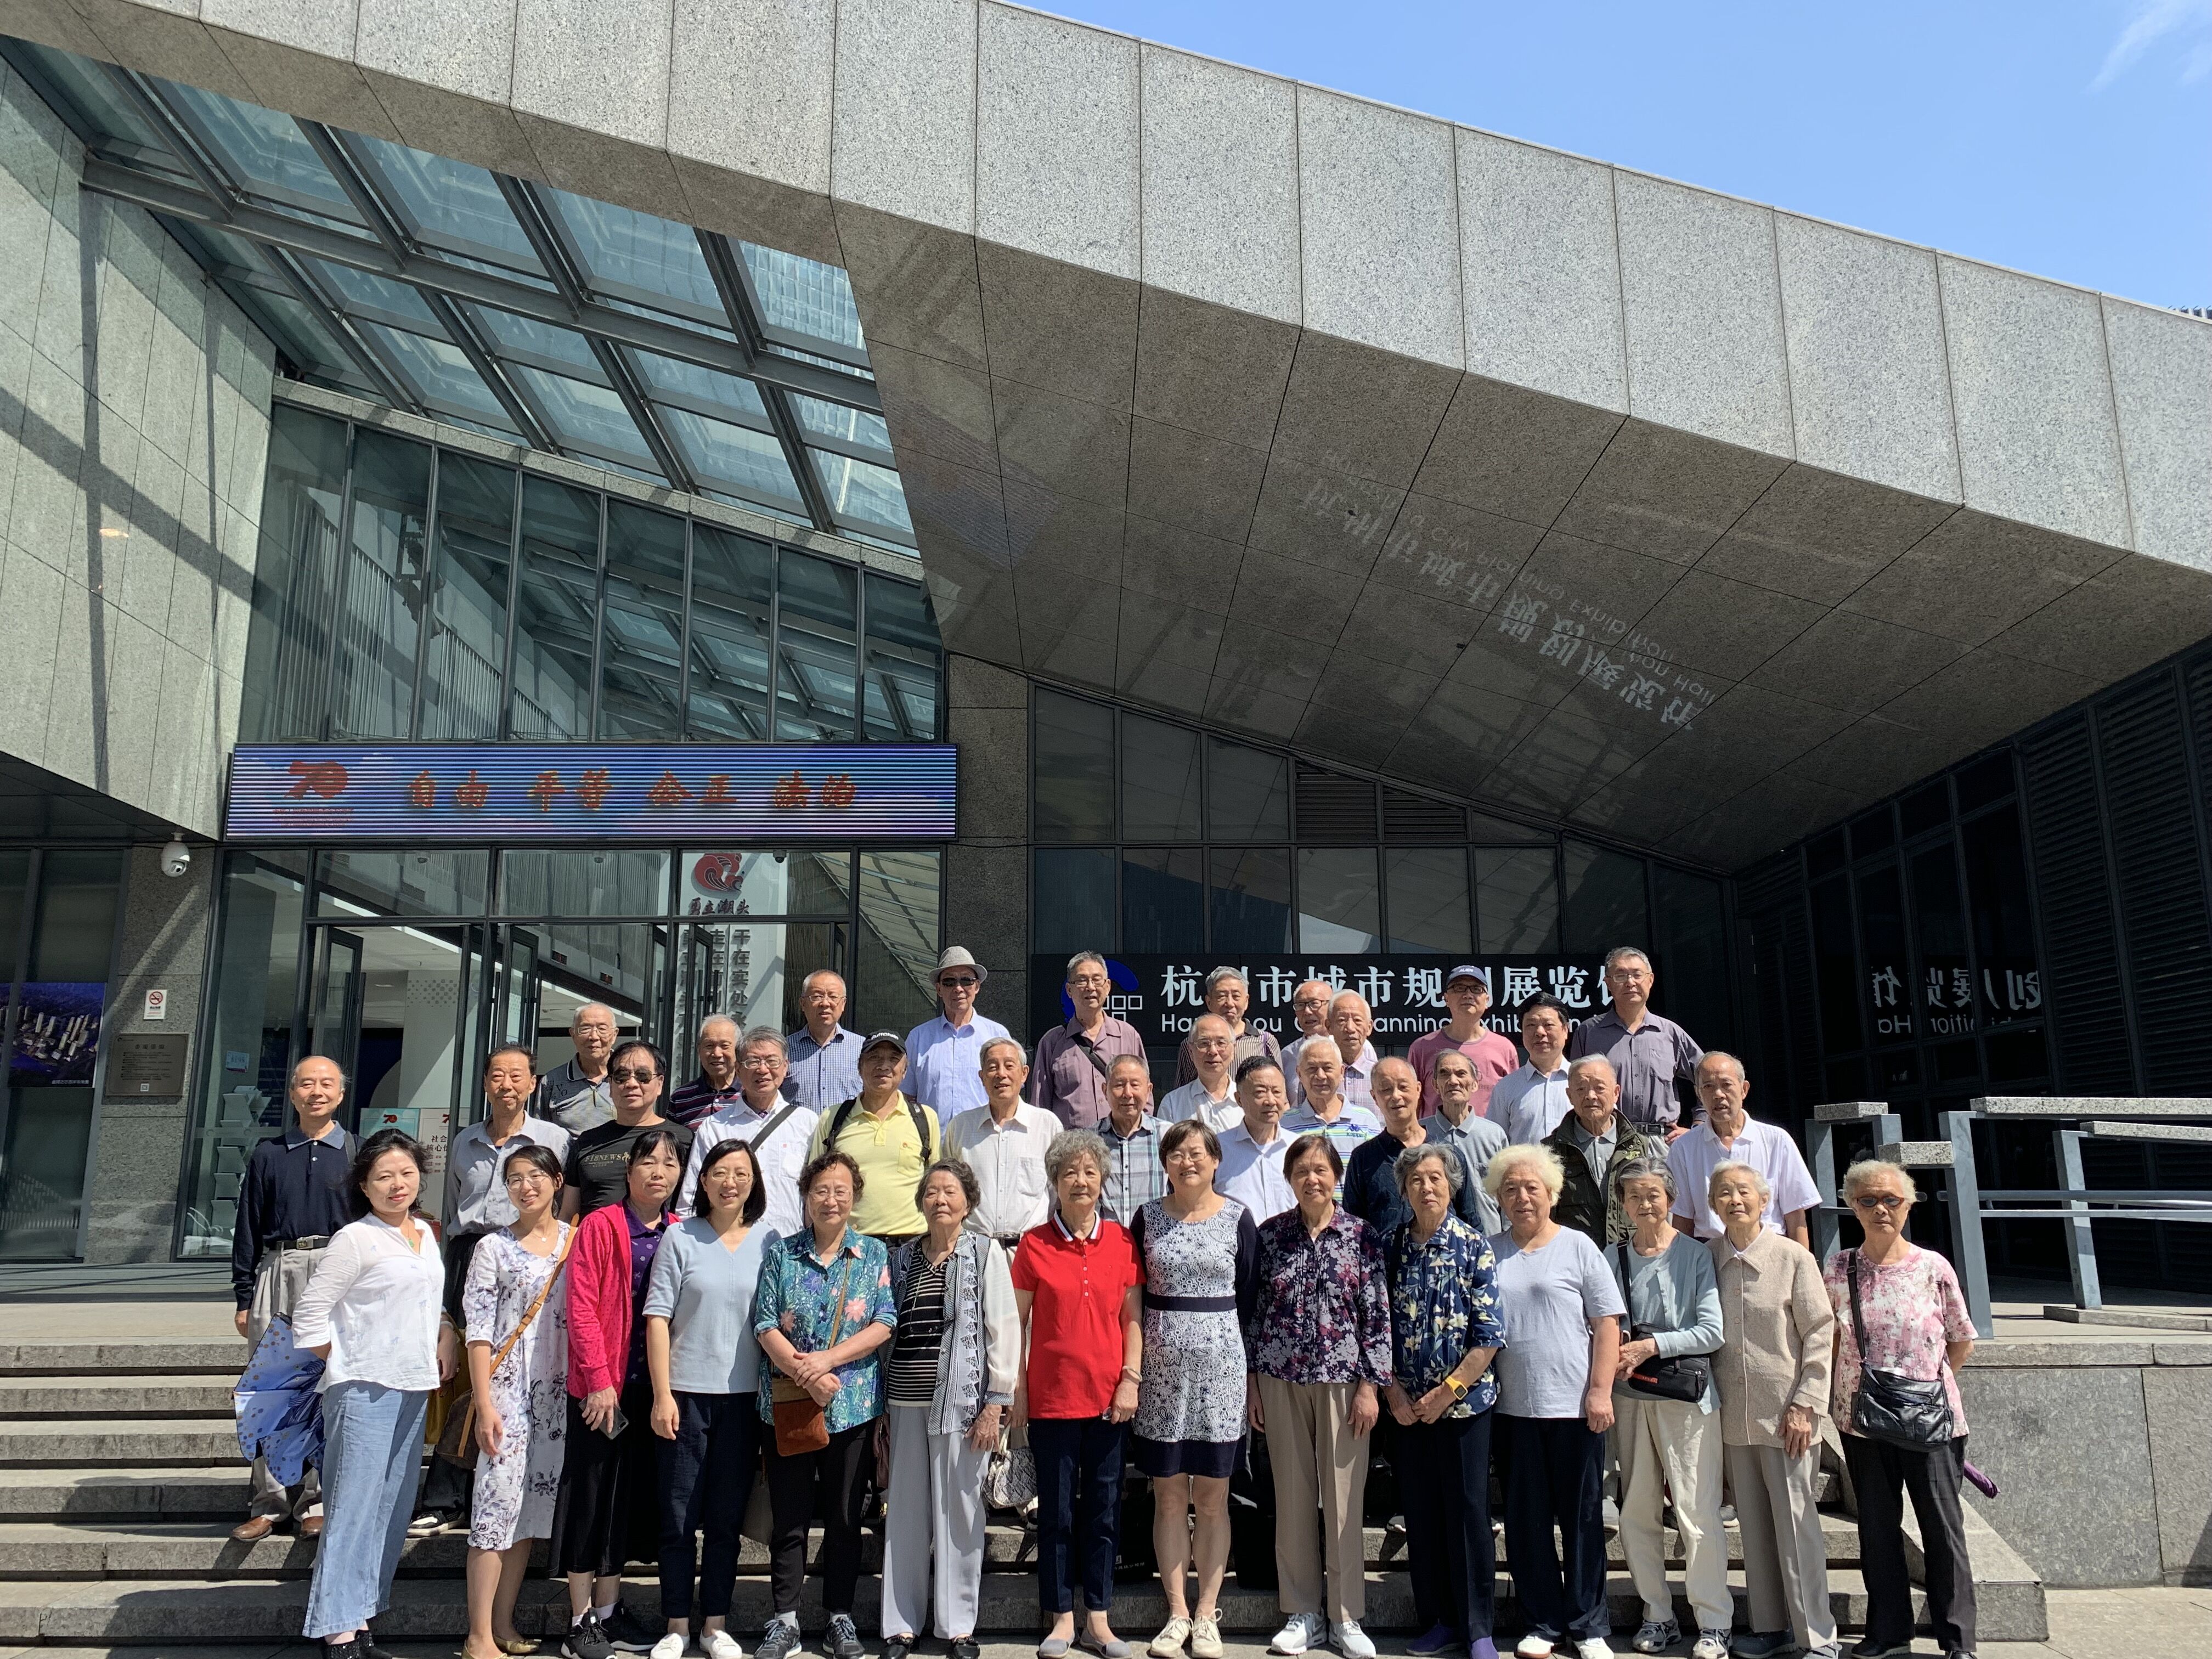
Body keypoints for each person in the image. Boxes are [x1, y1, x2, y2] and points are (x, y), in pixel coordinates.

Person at [294, 1128, 457, 1659]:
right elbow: (310, 1315)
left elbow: (427, 1301)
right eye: (384, 1176)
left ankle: (361, 1617)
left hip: (413, 1385)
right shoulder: (355, 1239)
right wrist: (345, 1356)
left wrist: (445, 1332)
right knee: (353, 1507)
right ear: (364, 1185)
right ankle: (335, 1630)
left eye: (406, 1173)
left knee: (391, 1507)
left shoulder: (424, 1233)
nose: (397, 1184)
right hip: (363, 1388)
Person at [1826, 1159, 1979, 1659]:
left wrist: (1924, 1387)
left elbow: (1961, 1339)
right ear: (1852, 1207)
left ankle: (1957, 1640)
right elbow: (1829, 1339)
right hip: (1863, 1419)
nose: (1880, 1210)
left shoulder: (1933, 1267)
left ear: (1909, 1205)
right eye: (1868, 1200)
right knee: (1876, 1528)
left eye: (1891, 1200)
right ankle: (1888, 1632)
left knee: (1942, 1529)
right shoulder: (1839, 1268)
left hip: (1931, 1419)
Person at [1248, 1133, 1392, 1659]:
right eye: (1302, 1171)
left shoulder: (1361, 1236)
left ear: (1337, 1177)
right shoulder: (1270, 1236)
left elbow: (1377, 1315)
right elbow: (1255, 1314)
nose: (1312, 1179)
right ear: (1290, 1179)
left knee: (1344, 1501)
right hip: (1281, 1379)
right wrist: (1253, 1385)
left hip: (1344, 1383)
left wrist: (1371, 1386)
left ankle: (1346, 1615)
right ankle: (1303, 1611)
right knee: (1292, 1498)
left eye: (1321, 1170)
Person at [752, 1152, 898, 1659]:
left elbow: (884, 1321)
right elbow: (764, 1323)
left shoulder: (873, 1253)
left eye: (841, 1191)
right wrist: (806, 1376)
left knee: (843, 1518)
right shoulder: (782, 1254)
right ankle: (784, 1620)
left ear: (854, 1198)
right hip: (790, 1405)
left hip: (852, 1405)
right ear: (806, 1197)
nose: (831, 1200)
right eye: (821, 1190)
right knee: (790, 1518)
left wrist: (827, 1363)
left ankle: (840, 1616)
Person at [1485, 1144, 1626, 1659]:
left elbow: (1607, 1323)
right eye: (1511, 1190)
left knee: (1583, 1519)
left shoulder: (1579, 1246)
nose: (1522, 1198)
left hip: (1575, 1407)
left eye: (1532, 1188)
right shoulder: (1489, 1251)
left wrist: (1600, 1391)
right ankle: (1543, 1623)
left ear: (1552, 1194)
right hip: (1513, 1410)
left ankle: (1588, 1626)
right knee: (1527, 1521)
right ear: (1498, 1198)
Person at [1129, 1120, 1260, 1659]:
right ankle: (1176, 1612)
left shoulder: (1237, 1218)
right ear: (1165, 1163)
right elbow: (1134, 1295)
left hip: (1221, 1372)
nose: (1188, 1162)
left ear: (1215, 1160)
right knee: (1167, 1495)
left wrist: (1250, 1379)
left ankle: (1207, 1612)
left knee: (1211, 1497)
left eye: (1197, 1153)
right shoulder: (1147, 1218)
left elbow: (1249, 1297)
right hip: (1160, 1375)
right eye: (1177, 1154)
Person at [1012, 1130, 1145, 1659]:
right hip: (1052, 1400)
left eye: (1090, 1172)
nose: (1081, 1181)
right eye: (1070, 1173)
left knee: (1104, 1512)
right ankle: (1061, 1617)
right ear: (1055, 1182)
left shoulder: (1123, 1242)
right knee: (1058, 1514)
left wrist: (1130, 1379)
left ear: (1103, 1180)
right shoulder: (1034, 1244)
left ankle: (1099, 1619)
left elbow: (1133, 1319)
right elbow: (1017, 1325)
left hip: (1110, 1400)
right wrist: (1018, 1391)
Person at [555, 1128, 686, 1659]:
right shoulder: (600, 1224)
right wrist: (597, 1380)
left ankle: (609, 1614)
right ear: (628, 1172)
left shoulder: (679, 1231)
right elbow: (581, 1306)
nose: (659, 1171)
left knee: (621, 1504)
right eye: (648, 1162)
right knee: (589, 1500)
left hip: (649, 1389)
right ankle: (578, 1620)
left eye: (669, 1163)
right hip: (601, 1389)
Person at [880, 1161, 1019, 1659]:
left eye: (950, 1192)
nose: (940, 1200)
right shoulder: (900, 1258)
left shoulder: (984, 1252)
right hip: (904, 1400)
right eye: (932, 1192)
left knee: (960, 1515)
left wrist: (996, 1403)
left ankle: (958, 1627)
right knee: (905, 1515)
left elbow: (1004, 1328)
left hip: (963, 1406)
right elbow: (886, 1330)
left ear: (968, 1202)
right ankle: (901, 1626)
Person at [646, 1139, 775, 1659]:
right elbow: (658, 1318)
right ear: (702, 1181)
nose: (730, 1182)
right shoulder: (681, 1237)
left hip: (744, 1400)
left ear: (754, 1182)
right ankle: (677, 1623)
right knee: (678, 1516)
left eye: (741, 1173)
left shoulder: (770, 1241)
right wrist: (661, 1394)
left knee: (725, 1520)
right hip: (685, 1395)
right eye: (719, 1172)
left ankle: (715, 1624)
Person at [1707, 1161, 1838, 1659]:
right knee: (1755, 1528)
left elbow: (1821, 1331)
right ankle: (1769, 1626)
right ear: (1712, 1205)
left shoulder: (1792, 1257)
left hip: (1788, 1416)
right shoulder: (1708, 1258)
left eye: (1744, 1192)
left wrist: (1807, 1403)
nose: (1734, 1200)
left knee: (1798, 1529)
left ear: (1765, 1201)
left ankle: (1817, 1635)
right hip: (1733, 1418)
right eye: (1723, 1193)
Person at [1383, 1144, 1508, 1659]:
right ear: (1404, 1191)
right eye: (1416, 1180)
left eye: (1435, 1178)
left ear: (1452, 1186)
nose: (1427, 1188)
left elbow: (1489, 1336)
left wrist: (1448, 1391)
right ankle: (1438, 1620)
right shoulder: (1390, 1246)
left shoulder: (1473, 1245)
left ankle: (1478, 1628)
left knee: (1468, 1512)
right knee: (1421, 1513)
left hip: (1463, 1407)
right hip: (1406, 1409)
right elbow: (1375, 1325)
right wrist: (1393, 1390)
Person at [230, 1054, 356, 1542]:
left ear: (340, 1094)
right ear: (293, 1094)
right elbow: (248, 1225)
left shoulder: (356, 1153)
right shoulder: (268, 1153)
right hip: (278, 1268)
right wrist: (244, 1296)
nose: (316, 1092)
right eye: (307, 1083)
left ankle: (317, 1501)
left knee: (326, 1387)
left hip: (335, 1271)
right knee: (270, 1387)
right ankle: (269, 1502)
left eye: (326, 1084)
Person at [1606, 1159, 1729, 1659]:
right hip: (1630, 1398)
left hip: (1686, 1399)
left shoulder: (1696, 1254)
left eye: (1653, 1194)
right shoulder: (1612, 1255)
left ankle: (1714, 1621)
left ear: (1671, 1199)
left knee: (1696, 1512)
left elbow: (1712, 1331)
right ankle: (1657, 1614)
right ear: (1623, 1204)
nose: (1644, 1204)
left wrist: (1651, 1345)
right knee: (1637, 1512)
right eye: (1634, 1196)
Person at [460, 1144, 573, 1659]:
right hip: (505, 1394)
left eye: (535, 1176)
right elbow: (479, 1331)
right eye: (514, 1179)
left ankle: (503, 1624)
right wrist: (484, 1404)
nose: (526, 1187)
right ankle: (477, 1635)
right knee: (494, 1510)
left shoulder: (575, 1241)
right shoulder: (493, 1248)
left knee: (527, 1514)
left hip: (557, 1397)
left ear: (557, 1180)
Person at [806, 1031, 942, 1245]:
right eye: (874, 1057)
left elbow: (937, 1186)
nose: (884, 1066)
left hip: (912, 1244)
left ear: (905, 1071)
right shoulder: (832, 1118)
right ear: (860, 1068)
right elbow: (813, 1186)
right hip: (851, 1245)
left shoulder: (925, 1118)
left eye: (893, 1059)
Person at [1668, 1055, 1818, 1247]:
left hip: (1769, 1248)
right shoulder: (1684, 1148)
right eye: (1708, 1087)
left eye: (1726, 1085)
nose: (1718, 1094)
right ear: (1698, 1093)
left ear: (1744, 1089)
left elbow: (1796, 1216)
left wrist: (1802, 1262)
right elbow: (1682, 1221)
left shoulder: (1777, 1140)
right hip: (1710, 1253)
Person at [680, 1028, 816, 1239]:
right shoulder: (715, 1126)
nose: (763, 1069)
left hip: (791, 1247)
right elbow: (691, 1197)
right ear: (738, 1069)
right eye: (753, 1061)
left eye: (772, 1061)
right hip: (728, 1245)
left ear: (785, 1067)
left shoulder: (807, 1123)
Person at [1345, 1057, 1494, 1237]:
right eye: (1386, 1089)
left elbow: (1470, 1222)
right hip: (1383, 1255)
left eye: (1403, 1087)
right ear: (1374, 1097)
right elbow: (1353, 1227)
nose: (1396, 1096)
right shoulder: (1363, 1159)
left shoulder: (1449, 1154)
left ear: (1418, 1090)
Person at [1565, 949, 1703, 1138]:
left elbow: (1710, 1077)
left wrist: (1699, 1127)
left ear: (1650, 980)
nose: (1630, 983)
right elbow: (1574, 1086)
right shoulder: (1589, 1032)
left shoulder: (1670, 1033)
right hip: (1608, 1139)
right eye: (1621, 976)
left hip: (1661, 1142)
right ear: (1608, 984)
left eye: (1637, 975)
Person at [943, 1037, 1058, 1246]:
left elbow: (1058, 1193)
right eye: (992, 1067)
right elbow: (948, 1190)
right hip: (974, 1251)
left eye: (1009, 1066)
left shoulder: (1047, 1126)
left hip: (1031, 1250)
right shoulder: (960, 1128)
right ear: (982, 1077)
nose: (1001, 1074)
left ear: (1024, 1074)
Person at [562, 1041, 695, 1220]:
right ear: (610, 1085)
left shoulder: (684, 1140)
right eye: (621, 1076)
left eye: (643, 1076)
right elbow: (568, 1214)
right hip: (596, 1237)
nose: (631, 1083)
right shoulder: (587, 1142)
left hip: (661, 1237)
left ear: (660, 1084)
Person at [1543, 1059, 1668, 1247]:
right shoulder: (1551, 1150)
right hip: (1576, 1255)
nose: (1590, 1096)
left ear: (1616, 1093)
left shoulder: (1642, 1145)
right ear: (1570, 1096)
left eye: (1599, 1088)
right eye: (1581, 1089)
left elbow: (1660, 1208)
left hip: (1632, 1253)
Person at [449, 1046, 574, 1233]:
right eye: (497, 1077)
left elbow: (566, 1203)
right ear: (485, 1084)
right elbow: (453, 1201)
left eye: (516, 1077)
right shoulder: (464, 1141)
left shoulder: (555, 1140)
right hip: (468, 1243)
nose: (506, 1085)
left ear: (532, 1084)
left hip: (528, 1243)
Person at [1030, 951, 1147, 1130]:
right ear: (1069, 990)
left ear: (1108, 987)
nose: (1090, 987)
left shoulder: (1128, 1035)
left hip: (1120, 1142)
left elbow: (1144, 1096)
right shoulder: (1052, 1042)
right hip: (1071, 1144)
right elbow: (1040, 1106)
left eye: (1097, 980)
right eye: (1082, 980)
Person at [907, 947, 1013, 1119]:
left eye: (966, 980)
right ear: (939, 989)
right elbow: (906, 1096)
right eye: (949, 982)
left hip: (984, 1135)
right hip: (933, 1136)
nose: (958, 988)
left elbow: (1010, 1092)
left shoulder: (997, 1036)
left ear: (977, 986)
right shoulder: (918, 1038)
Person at [1406, 966, 1519, 1118]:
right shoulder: (1422, 1048)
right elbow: (1412, 1104)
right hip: (1434, 1133)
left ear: (1487, 1000)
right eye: (1459, 988)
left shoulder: (1504, 1048)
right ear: (1446, 999)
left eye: (1476, 989)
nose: (1468, 995)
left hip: (1490, 1133)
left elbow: (1514, 1102)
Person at [1425, 1049, 1508, 1233]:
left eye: (1461, 1074)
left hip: (1489, 1239)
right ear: (1435, 1085)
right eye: (1445, 1074)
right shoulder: (1422, 1134)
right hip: (1436, 1240)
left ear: (1475, 1084)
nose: (1453, 1081)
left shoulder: (1494, 1135)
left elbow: (1508, 1191)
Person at [1282, 1040, 1381, 1178]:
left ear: (1341, 1072)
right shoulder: (1284, 1124)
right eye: (1312, 1068)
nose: (1320, 1075)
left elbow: (1377, 1176)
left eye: (1327, 1068)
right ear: (1299, 1074)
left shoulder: (1366, 1122)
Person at [1215, 1058, 1296, 1224]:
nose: (1271, 1101)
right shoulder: (1218, 1149)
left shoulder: (1298, 1148)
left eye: (1277, 1092)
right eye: (1260, 1092)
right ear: (1239, 1099)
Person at [1172, 968, 1282, 1087]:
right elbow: (1182, 1091)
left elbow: (1279, 1090)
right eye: (1221, 996)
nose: (1229, 1003)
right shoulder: (1193, 1044)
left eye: (1236, 996)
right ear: (1209, 1002)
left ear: (1246, 1001)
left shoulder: (1266, 1042)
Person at [1489, 996, 1574, 1147]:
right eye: (1531, 1025)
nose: (1540, 1032)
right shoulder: (1506, 1088)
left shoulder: (1584, 1081)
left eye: (1548, 1025)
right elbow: (1494, 1144)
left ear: (1565, 1030)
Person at [1284, 982, 1375, 1114]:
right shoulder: (1288, 1055)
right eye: (1300, 1005)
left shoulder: (1362, 1046)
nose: (1307, 1011)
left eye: (1314, 1003)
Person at [1099, 1057, 1169, 1226]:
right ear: (1105, 1090)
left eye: (1135, 1085)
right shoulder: (1090, 1140)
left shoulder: (1167, 1136)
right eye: (1119, 1085)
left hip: (1155, 1237)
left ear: (1149, 1090)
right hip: (1105, 1239)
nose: (1128, 1093)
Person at [785, 969, 865, 1113]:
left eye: (833, 997)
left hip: (847, 1127)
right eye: (817, 997)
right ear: (803, 1004)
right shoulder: (784, 1049)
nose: (825, 1003)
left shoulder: (862, 1048)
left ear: (843, 1004)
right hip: (800, 1128)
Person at [540, 1003, 620, 1135]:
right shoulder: (552, 1081)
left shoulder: (628, 1078)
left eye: (602, 1029)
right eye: (585, 1029)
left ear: (614, 1034)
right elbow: (542, 1133)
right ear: (573, 1035)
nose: (594, 1036)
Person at [1159, 1015, 1240, 1135]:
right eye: (1204, 1043)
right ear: (1191, 1051)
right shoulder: (1173, 1103)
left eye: (1221, 1043)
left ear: (1233, 1050)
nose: (1213, 1051)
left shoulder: (1248, 1101)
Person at [668, 1016, 746, 1127]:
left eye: (725, 1046)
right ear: (699, 1050)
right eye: (709, 1046)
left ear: (738, 1050)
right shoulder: (680, 1098)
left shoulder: (751, 1093)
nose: (717, 1054)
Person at [1322, 992, 1379, 1112]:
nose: (1350, 1028)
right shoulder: (1317, 1076)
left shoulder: (1380, 1075)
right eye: (1342, 1020)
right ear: (1329, 1026)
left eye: (1357, 1020)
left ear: (1369, 1027)